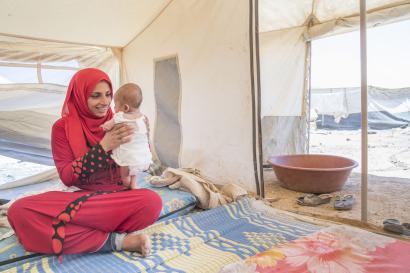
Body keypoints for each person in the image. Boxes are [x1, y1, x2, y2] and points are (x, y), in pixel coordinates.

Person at [7, 68, 162, 262]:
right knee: (19, 211)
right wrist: (103, 147)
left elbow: (143, 163)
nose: (105, 102)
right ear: (79, 96)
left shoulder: (121, 122)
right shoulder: (61, 129)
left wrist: (140, 140)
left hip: (117, 199)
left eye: (107, 95)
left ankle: (80, 232)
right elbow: (67, 176)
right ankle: (119, 241)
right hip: (82, 198)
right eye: (95, 96)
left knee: (151, 202)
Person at [102, 83, 152, 189]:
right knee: (134, 172)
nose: (114, 109)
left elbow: (108, 126)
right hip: (143, 157)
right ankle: (133, 185)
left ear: (125, 107)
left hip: (127, 155)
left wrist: (104, 127)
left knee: (125, 171)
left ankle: (126, 183)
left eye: (115, 106)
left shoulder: (119, 116)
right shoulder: (143, 118)